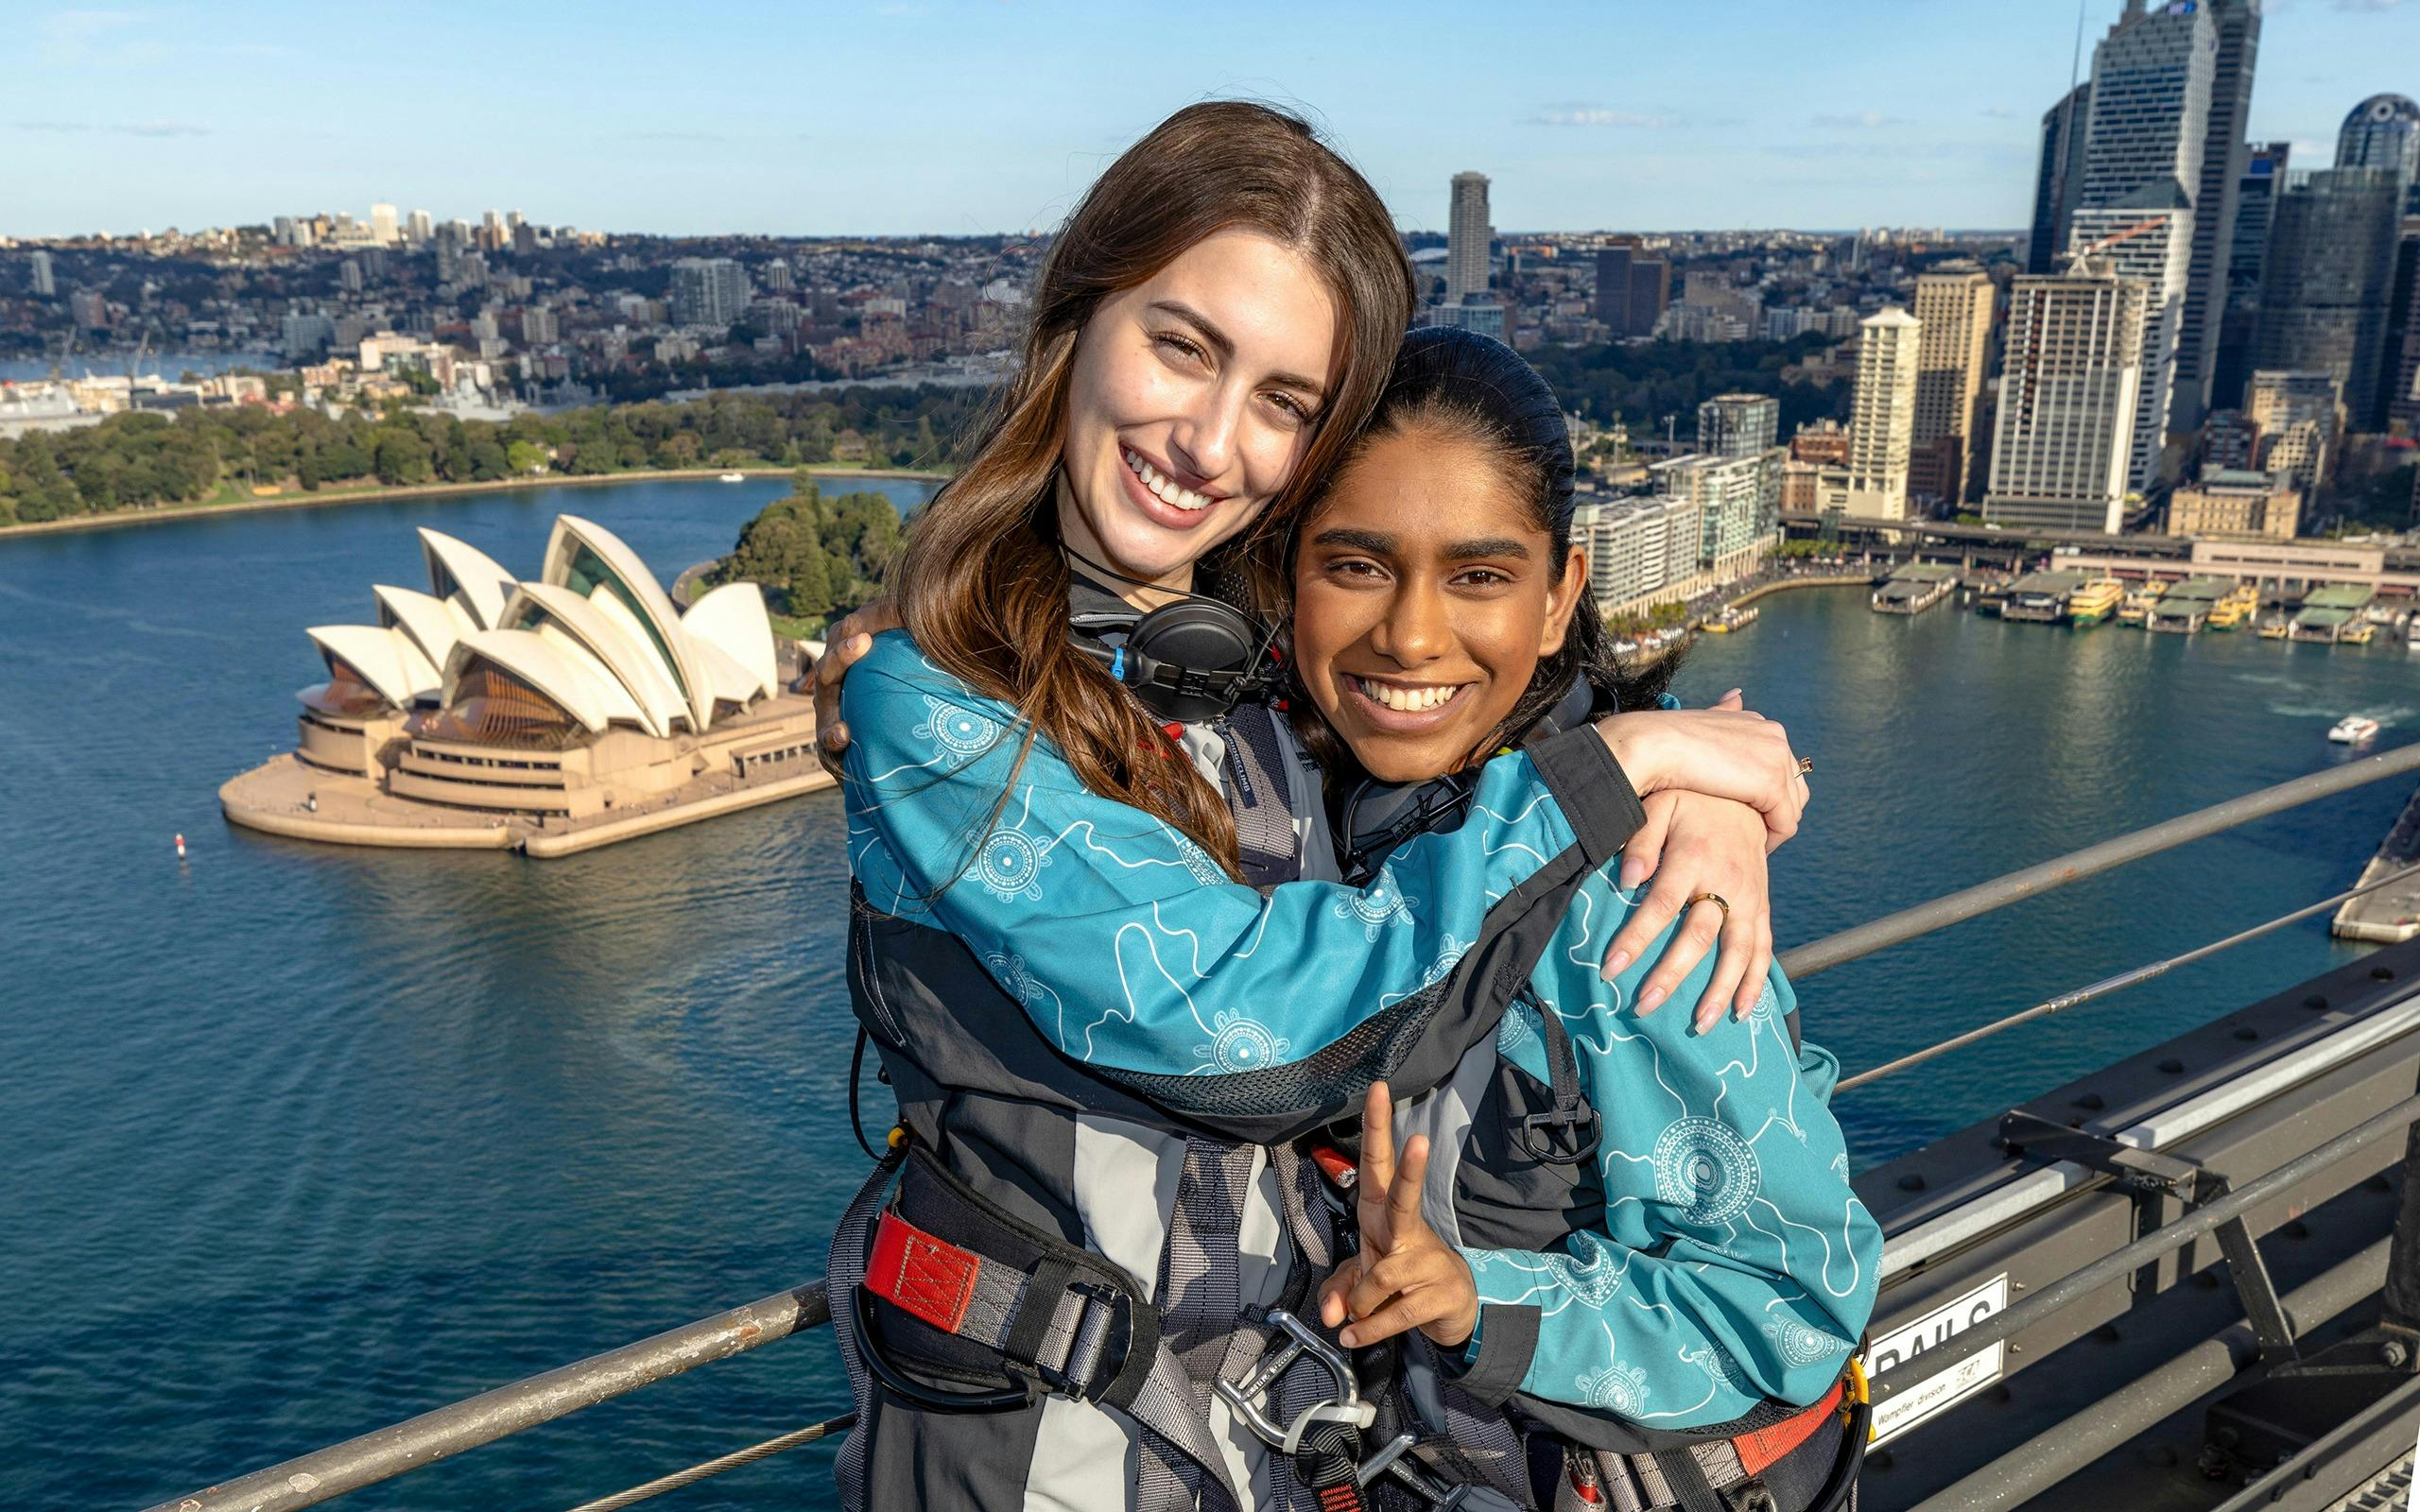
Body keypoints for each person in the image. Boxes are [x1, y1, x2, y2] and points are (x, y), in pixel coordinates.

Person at [821, 101, 1810, 1512]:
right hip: (1031, 1455)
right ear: (1079, 317)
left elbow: (1447, 688)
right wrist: (1623, 778)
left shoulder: (1235, 664)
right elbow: (1251, 1040)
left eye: (1284, 403)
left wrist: (1714, 792)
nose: (1211, 443)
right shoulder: (935, 707)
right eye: (1184, 346)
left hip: (1255, 1438)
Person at [1275, 328, 1878, 1509]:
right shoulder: (1319, 799)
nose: (1409, 634)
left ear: (1560, 599)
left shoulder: (1644, 895)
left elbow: (1791, 1298)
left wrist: (1475, 1301)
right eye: (1353, 565)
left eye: (1480, 577)